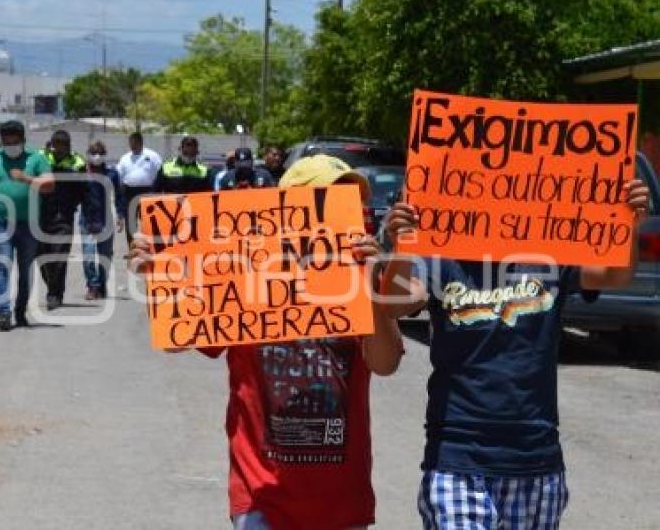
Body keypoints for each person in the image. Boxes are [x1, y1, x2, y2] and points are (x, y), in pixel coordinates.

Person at [128, 155, 405, 529]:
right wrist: (156, 276)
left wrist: (372, 287)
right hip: (261, 496)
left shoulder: (358, 278)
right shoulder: (244, 271)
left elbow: (385, 363)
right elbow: (177, 339)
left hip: (342, 502)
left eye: (351, 202)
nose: (345, 214)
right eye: (329, 200)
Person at [378, 179, 651, 530]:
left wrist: (627, 225)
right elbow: (396, 304)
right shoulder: (439, 255)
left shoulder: (551, 250)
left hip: (536, 460)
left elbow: (614, 276)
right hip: (457, 459)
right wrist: (403, 245)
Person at [0, 120, 54, 331]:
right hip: (0, 220)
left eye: (14, 140)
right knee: (3, 265)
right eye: (6, 140)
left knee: (25, 269)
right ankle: (4, 312)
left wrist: (27, 179)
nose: (10, 144)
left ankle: (20, 311)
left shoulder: (36, 159)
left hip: (28, 223)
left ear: (22, 140)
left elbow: (49, 185)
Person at [38, 130, 98, 310]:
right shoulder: (40, 158)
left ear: (69, 146)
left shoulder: (77, 163)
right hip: (40, 214)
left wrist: (92, 217)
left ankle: (54, 294)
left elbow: (87, 192)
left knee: (59, 255)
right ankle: (52, 286)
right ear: (52, 144)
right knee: (42, 256)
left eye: (64, 145)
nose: (60, 148)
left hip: (64, 216)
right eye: (57, 144)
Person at [81, 141, 125, 300]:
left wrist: (120, 215)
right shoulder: (83, 173)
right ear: (88, 154)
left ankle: (101, 284)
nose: (96, 156)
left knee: (105, 255)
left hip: (106, 218)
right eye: (93, 152)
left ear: (105, 155)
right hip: (87, 219)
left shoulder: (112, 174)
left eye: (99, 152)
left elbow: (120, 196)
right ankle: (92, 286)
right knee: (88, 255)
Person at [116, 132, 161, 244]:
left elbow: (160, 173)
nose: (132, 145)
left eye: (134, 142)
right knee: (131, 222)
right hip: (129, 192)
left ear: (141, 142)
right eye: (130, 143)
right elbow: (119, 176)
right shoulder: (125, 158)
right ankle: (132, 246)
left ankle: (150, 245)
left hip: (148, 192)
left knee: (149, 220)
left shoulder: (152, 155)